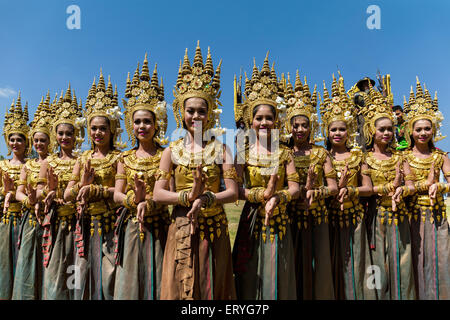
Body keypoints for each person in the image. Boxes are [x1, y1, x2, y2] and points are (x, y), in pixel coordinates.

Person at [153, 42, 237, 300]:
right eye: (191, 111)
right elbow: (158, 194)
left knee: (211, 283)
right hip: (180, 224)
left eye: (202, 111)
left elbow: (233, 193)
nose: (196, 116)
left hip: (214, 227)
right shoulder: (171, 152)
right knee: (179, 287)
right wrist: (187, 198)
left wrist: (206, 198)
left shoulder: (222, 150)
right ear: (182, 112)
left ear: (210, 114)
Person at [232, 56, 300, 300]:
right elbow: (235, 188)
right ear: (251, 120)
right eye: (258, 118)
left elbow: (295, 188)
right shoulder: (243, 152)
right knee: (252, 273)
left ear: (276, 121)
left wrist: (278, 198)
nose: (263, 123)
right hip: (252, 219)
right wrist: (259, 195)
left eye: (268, 118)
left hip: (280, 219)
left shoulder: (285, 153)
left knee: (279, 270)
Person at [113, 55, 170, 300]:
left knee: (159, 280)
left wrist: (150, 202)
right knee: (131, 283)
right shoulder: (124, 158)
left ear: (157, 124)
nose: (142, 126)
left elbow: (172, 191)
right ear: (130, 125)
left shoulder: (166, 155)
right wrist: (133, 200)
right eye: (137, 121)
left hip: (160, 227)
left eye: (148, 121)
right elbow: (117, 193)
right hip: (132, 226)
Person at [64, 71, 124, 300]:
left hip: (111, 226)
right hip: (85, 225)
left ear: (112, 130)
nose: (98, 132)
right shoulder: (83, 159)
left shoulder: (120, 158)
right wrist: (81, 185)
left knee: (109, 279)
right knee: (81, 276)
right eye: (94, 128)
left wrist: (95, 190)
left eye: (103, 128)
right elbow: (69, 193)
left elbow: (122, 192)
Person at [283, 71, 337, 300]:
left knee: (319, 266)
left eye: (304, 125)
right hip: (291, 216)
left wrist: (316, 190)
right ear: (289, 127)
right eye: (295, 125)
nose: (300, 130)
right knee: (292, 267)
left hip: (318, 217)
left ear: (311, 126)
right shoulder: (284, 153)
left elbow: (333, 187)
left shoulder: (321, 152)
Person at [319, 74, 374, 300]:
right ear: (327, 132)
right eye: (333, 130)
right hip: (328, 218)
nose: (338, 134)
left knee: (356, 265)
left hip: (354, 218)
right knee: (331, 266)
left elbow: (368, 188)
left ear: (349, 131)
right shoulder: (321, 156)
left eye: (342, 129)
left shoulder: (357, 156)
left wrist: (350, 191)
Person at [361, 83, 416, 300]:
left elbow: (411, 185)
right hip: (375, 217)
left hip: (399, 216)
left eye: (389, 129)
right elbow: (365, 189)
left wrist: (402, 189)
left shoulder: (400, 157)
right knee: (376, 265)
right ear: (370, 131)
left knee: (403, 262)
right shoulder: (364, 158)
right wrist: (384, 188)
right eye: (381, 129)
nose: (386, 133)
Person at [403, 79, 449, 300]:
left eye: (427, 128)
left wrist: (439, 185)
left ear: (434, 129)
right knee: (414, 263)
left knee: (440, 261)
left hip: (437, 214)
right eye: (418, 129)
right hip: (411, 216)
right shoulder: (403, 157)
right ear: (410, 131)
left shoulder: (440, 156)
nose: (423, 133)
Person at [37, 86, 84, 300]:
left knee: (76, 275)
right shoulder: (48, 162)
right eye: (61, 133)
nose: (65, 137)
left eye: (69, 133)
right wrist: (48, 192)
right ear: (55, 135)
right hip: (55, 223)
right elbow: (38, 190)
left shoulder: (81, 161)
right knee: (55, 276)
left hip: (77, 223)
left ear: (76, 136)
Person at [13, 93, 52, 299]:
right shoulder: (28, 165)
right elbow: (19, 192)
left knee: (49, 264)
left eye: (43, 140)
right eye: (36, 140)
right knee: (28, 262)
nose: (39, 144)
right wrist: (29, 199)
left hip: (51, 218)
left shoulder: (55, 162)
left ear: (50, 141)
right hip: (30, 219)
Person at [0, 94, 29, 299]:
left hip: (24, 220)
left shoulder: (30, 166)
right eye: (12, 139)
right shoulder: (1, 165)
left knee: (22, 263)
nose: (15, 143)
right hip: (3, 219)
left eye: (19, 139)